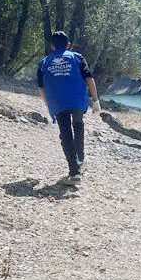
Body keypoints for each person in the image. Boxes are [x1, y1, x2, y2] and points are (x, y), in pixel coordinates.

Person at [37, 31, 101, 185]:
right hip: (77, 100)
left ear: (52, 46)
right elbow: (89, 79)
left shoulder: (44, 62)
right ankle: (80, 157)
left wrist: (48, 104)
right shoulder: (77, 58)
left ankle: (74, 172)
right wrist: (95, 100)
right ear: (68, 45)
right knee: (78, 125)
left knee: (65, 133)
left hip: (58, 103)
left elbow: (41, 88)